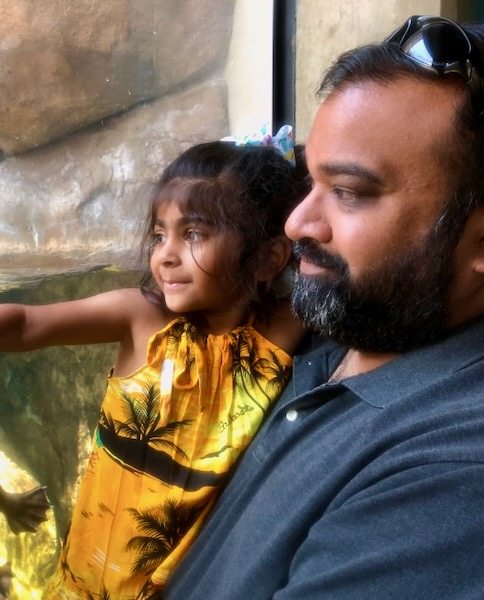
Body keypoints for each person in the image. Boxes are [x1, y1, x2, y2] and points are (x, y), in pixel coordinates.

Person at [0, 139, 308, 599]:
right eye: (159, 235)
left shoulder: (277, 332)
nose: (166, 255)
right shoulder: (143, 321)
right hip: (84, 584)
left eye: (193, 233)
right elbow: (23, 325)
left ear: (268, 258)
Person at [162, 15, 484, 599]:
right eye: (310, 182)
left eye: (350, 192)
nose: (297, 223)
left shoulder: (457, 472)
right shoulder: (347, 322)